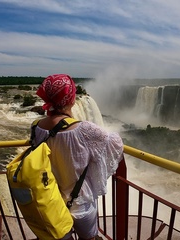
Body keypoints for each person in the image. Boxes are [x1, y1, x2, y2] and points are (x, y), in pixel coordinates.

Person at [33, 74, 123, 240]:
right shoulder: (84, 129)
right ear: (71, 99)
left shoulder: (36, 127)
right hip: (80, 203)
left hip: (51, 202)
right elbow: (114, 143)